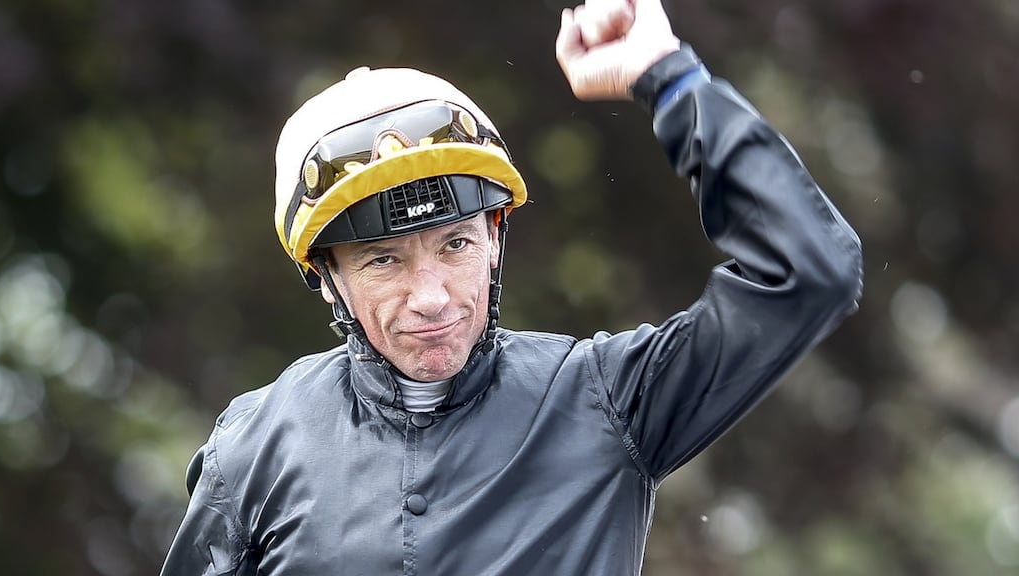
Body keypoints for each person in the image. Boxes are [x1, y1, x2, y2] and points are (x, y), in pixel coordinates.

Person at [161, 0, 863, 573]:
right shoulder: (254, 448)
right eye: (384, 261)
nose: (431, 296)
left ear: (496, 238)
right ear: (326, 278)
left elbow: (810, 273)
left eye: (455, 244)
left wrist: (671, 79)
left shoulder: (607, 400)